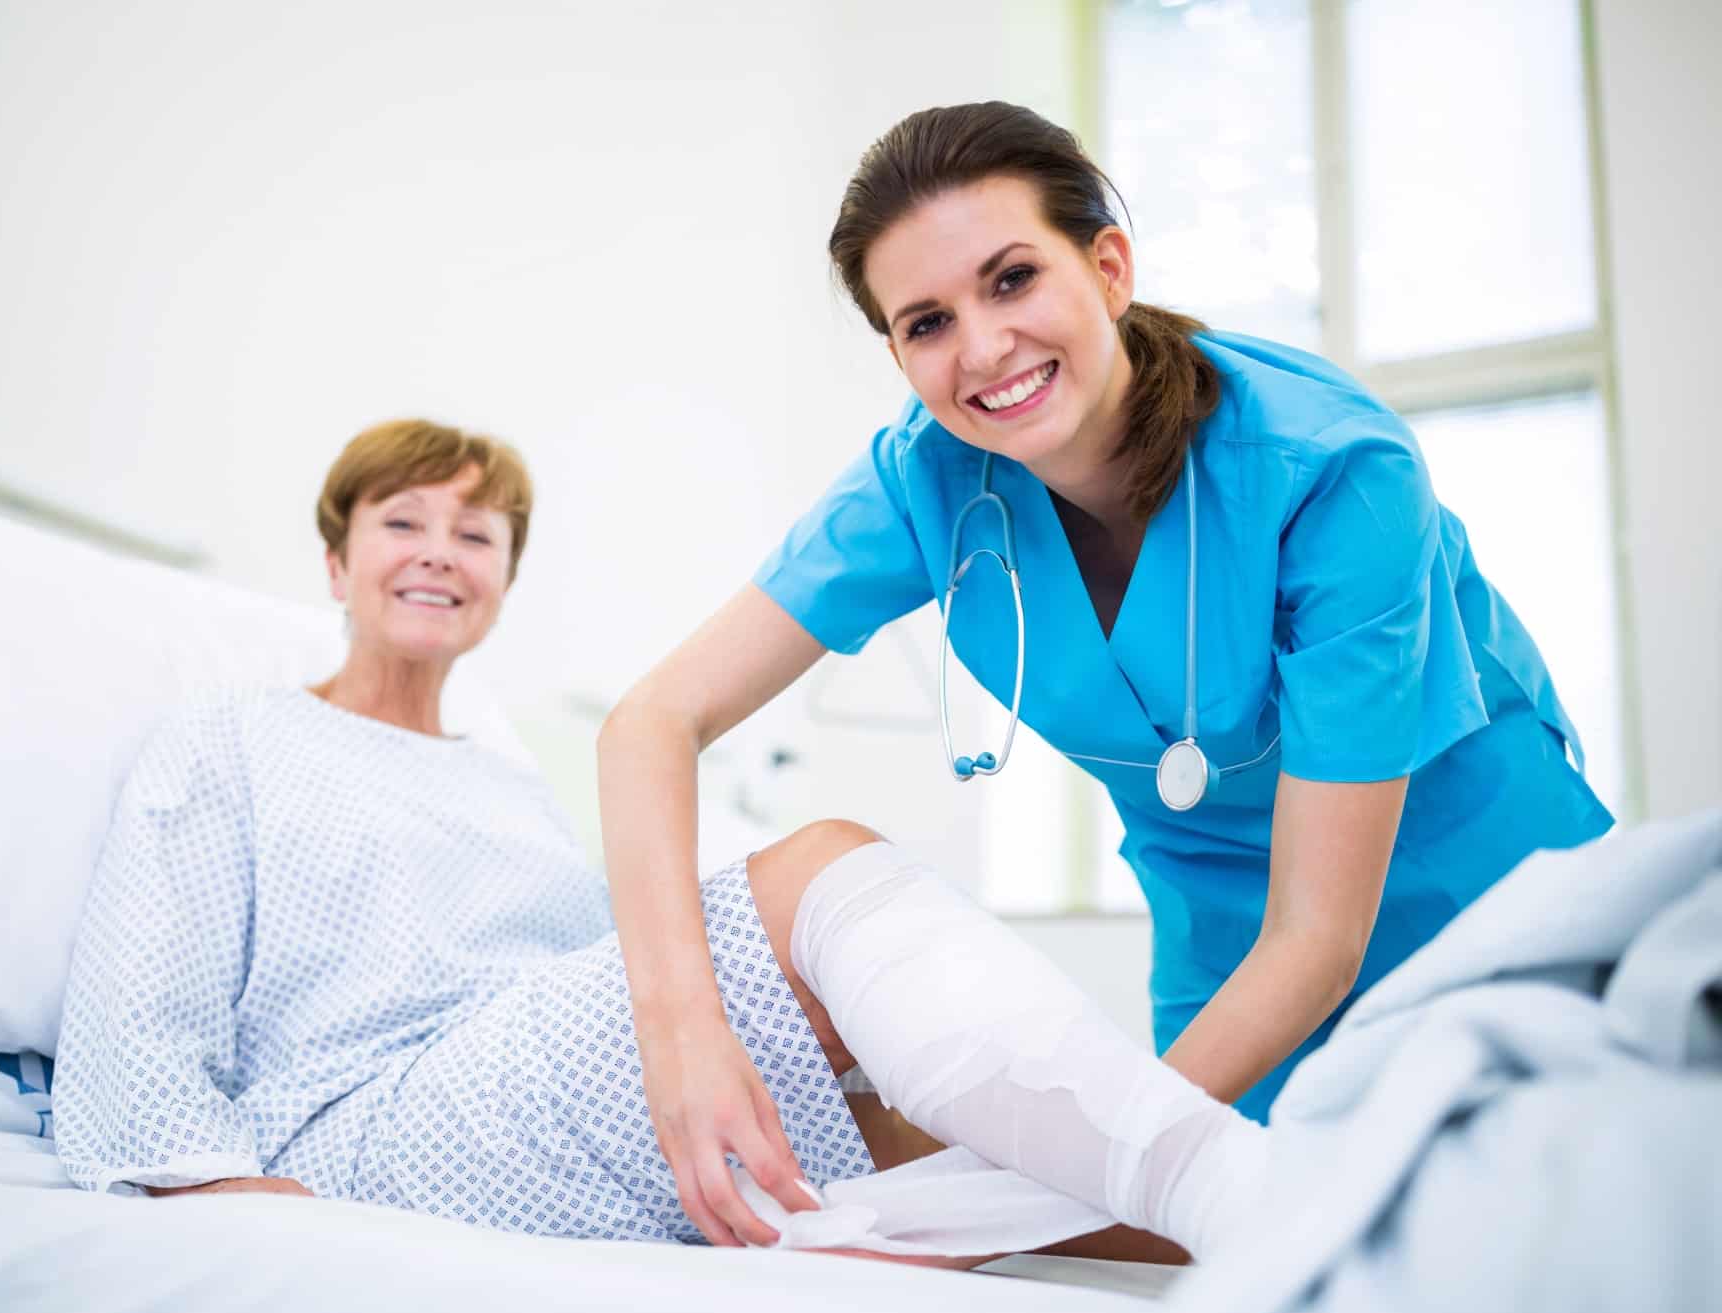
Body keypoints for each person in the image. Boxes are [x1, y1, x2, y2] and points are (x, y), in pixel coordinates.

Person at [595, 101, 1613, 1249]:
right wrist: (680, 1029)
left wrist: (1067, 1188)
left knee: (1547, 1245)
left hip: (1472, 883)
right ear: (895, 353)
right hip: (1223, 935)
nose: (980, 349)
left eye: (1011, 279)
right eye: (926, 320)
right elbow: (649, 723)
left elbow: (1320, 937)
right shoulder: (926, 484)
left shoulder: (1330, 469)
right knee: (1263, 1266)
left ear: (1108, 266)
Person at [50, 416, 1269, 1263]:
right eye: (400, 522)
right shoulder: (231, 742)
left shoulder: (507, 787)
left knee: (948, 1137)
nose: (437, 551)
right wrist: (211, 1185)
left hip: (529, 1091)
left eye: (474, 535)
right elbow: (138, 995)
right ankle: (1246, 1187)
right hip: (367, 1123)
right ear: (335, 559)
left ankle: (1297, 1231)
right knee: (814, 872)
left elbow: (583, 974)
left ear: (503, 581)